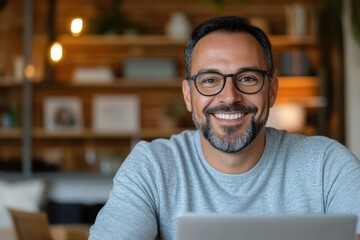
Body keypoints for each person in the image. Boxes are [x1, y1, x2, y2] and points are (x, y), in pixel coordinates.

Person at [89, 16, 360, 240]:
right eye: (209, 80)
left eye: (248, 78)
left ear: (272, 90)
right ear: (187, 95)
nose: (229, 97)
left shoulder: (328, 166)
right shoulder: (152, 166)